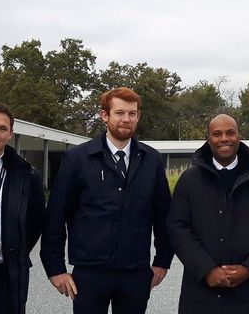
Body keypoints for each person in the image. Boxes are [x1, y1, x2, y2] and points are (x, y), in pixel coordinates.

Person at [40, 87, 173, 314]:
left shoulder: (152, 160)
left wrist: (162, 261)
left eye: (132, 114)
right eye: (119, 113)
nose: (126, 119)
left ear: (138, 116)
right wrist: (55, 268)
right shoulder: (78, 159)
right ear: (105, 115)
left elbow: (163, 215)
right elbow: (56, 215)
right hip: (91, 272)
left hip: (135, 272)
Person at [167, 114, 249, 314]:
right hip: (201, 292)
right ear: (208, 139)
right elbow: (177, 227)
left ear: (239, 136)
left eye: (230, 132)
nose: (224, 139)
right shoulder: (189, 180)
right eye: (217, 134)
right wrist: (207, 269)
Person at [0, 102, 45, 314]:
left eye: (2, 128)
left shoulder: (27, 175)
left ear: (11, 133)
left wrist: (15, 251)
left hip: (5, 273)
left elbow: (35, 223)